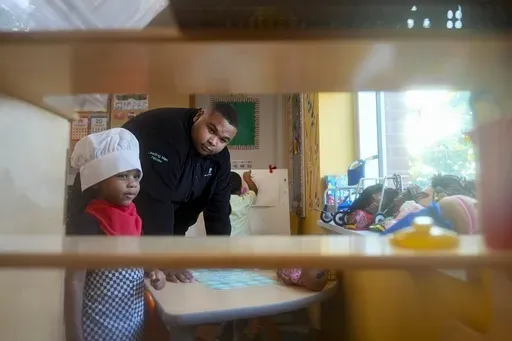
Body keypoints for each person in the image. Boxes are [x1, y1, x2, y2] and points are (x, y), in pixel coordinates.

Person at [68, 102, 239, 283]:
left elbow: (218, 207)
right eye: (211, 130)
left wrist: (222, 254)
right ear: (199, 115)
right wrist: (165, 259)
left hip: (148, 222)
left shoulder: (220, 157)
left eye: (223, 139)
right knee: (94, 274)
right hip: (102, 207)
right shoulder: (166, 132)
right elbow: (156, 201)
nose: (214, 141)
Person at [64, 128, 166, 341]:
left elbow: (135, 260)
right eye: (122, 175)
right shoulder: (88, 222)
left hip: (132, 318)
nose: (132, 183)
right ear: (98, 181)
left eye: (136, 176)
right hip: (98, 324)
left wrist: (154, 272)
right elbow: (75, 282)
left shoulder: (134, 216)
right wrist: (74, 335)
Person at [229, 170, 258, 236]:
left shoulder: (218, 203)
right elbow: (254, 191)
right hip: (242, 241)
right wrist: (247, 178)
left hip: (220, 241)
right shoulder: (245, 201)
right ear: (240, 189)